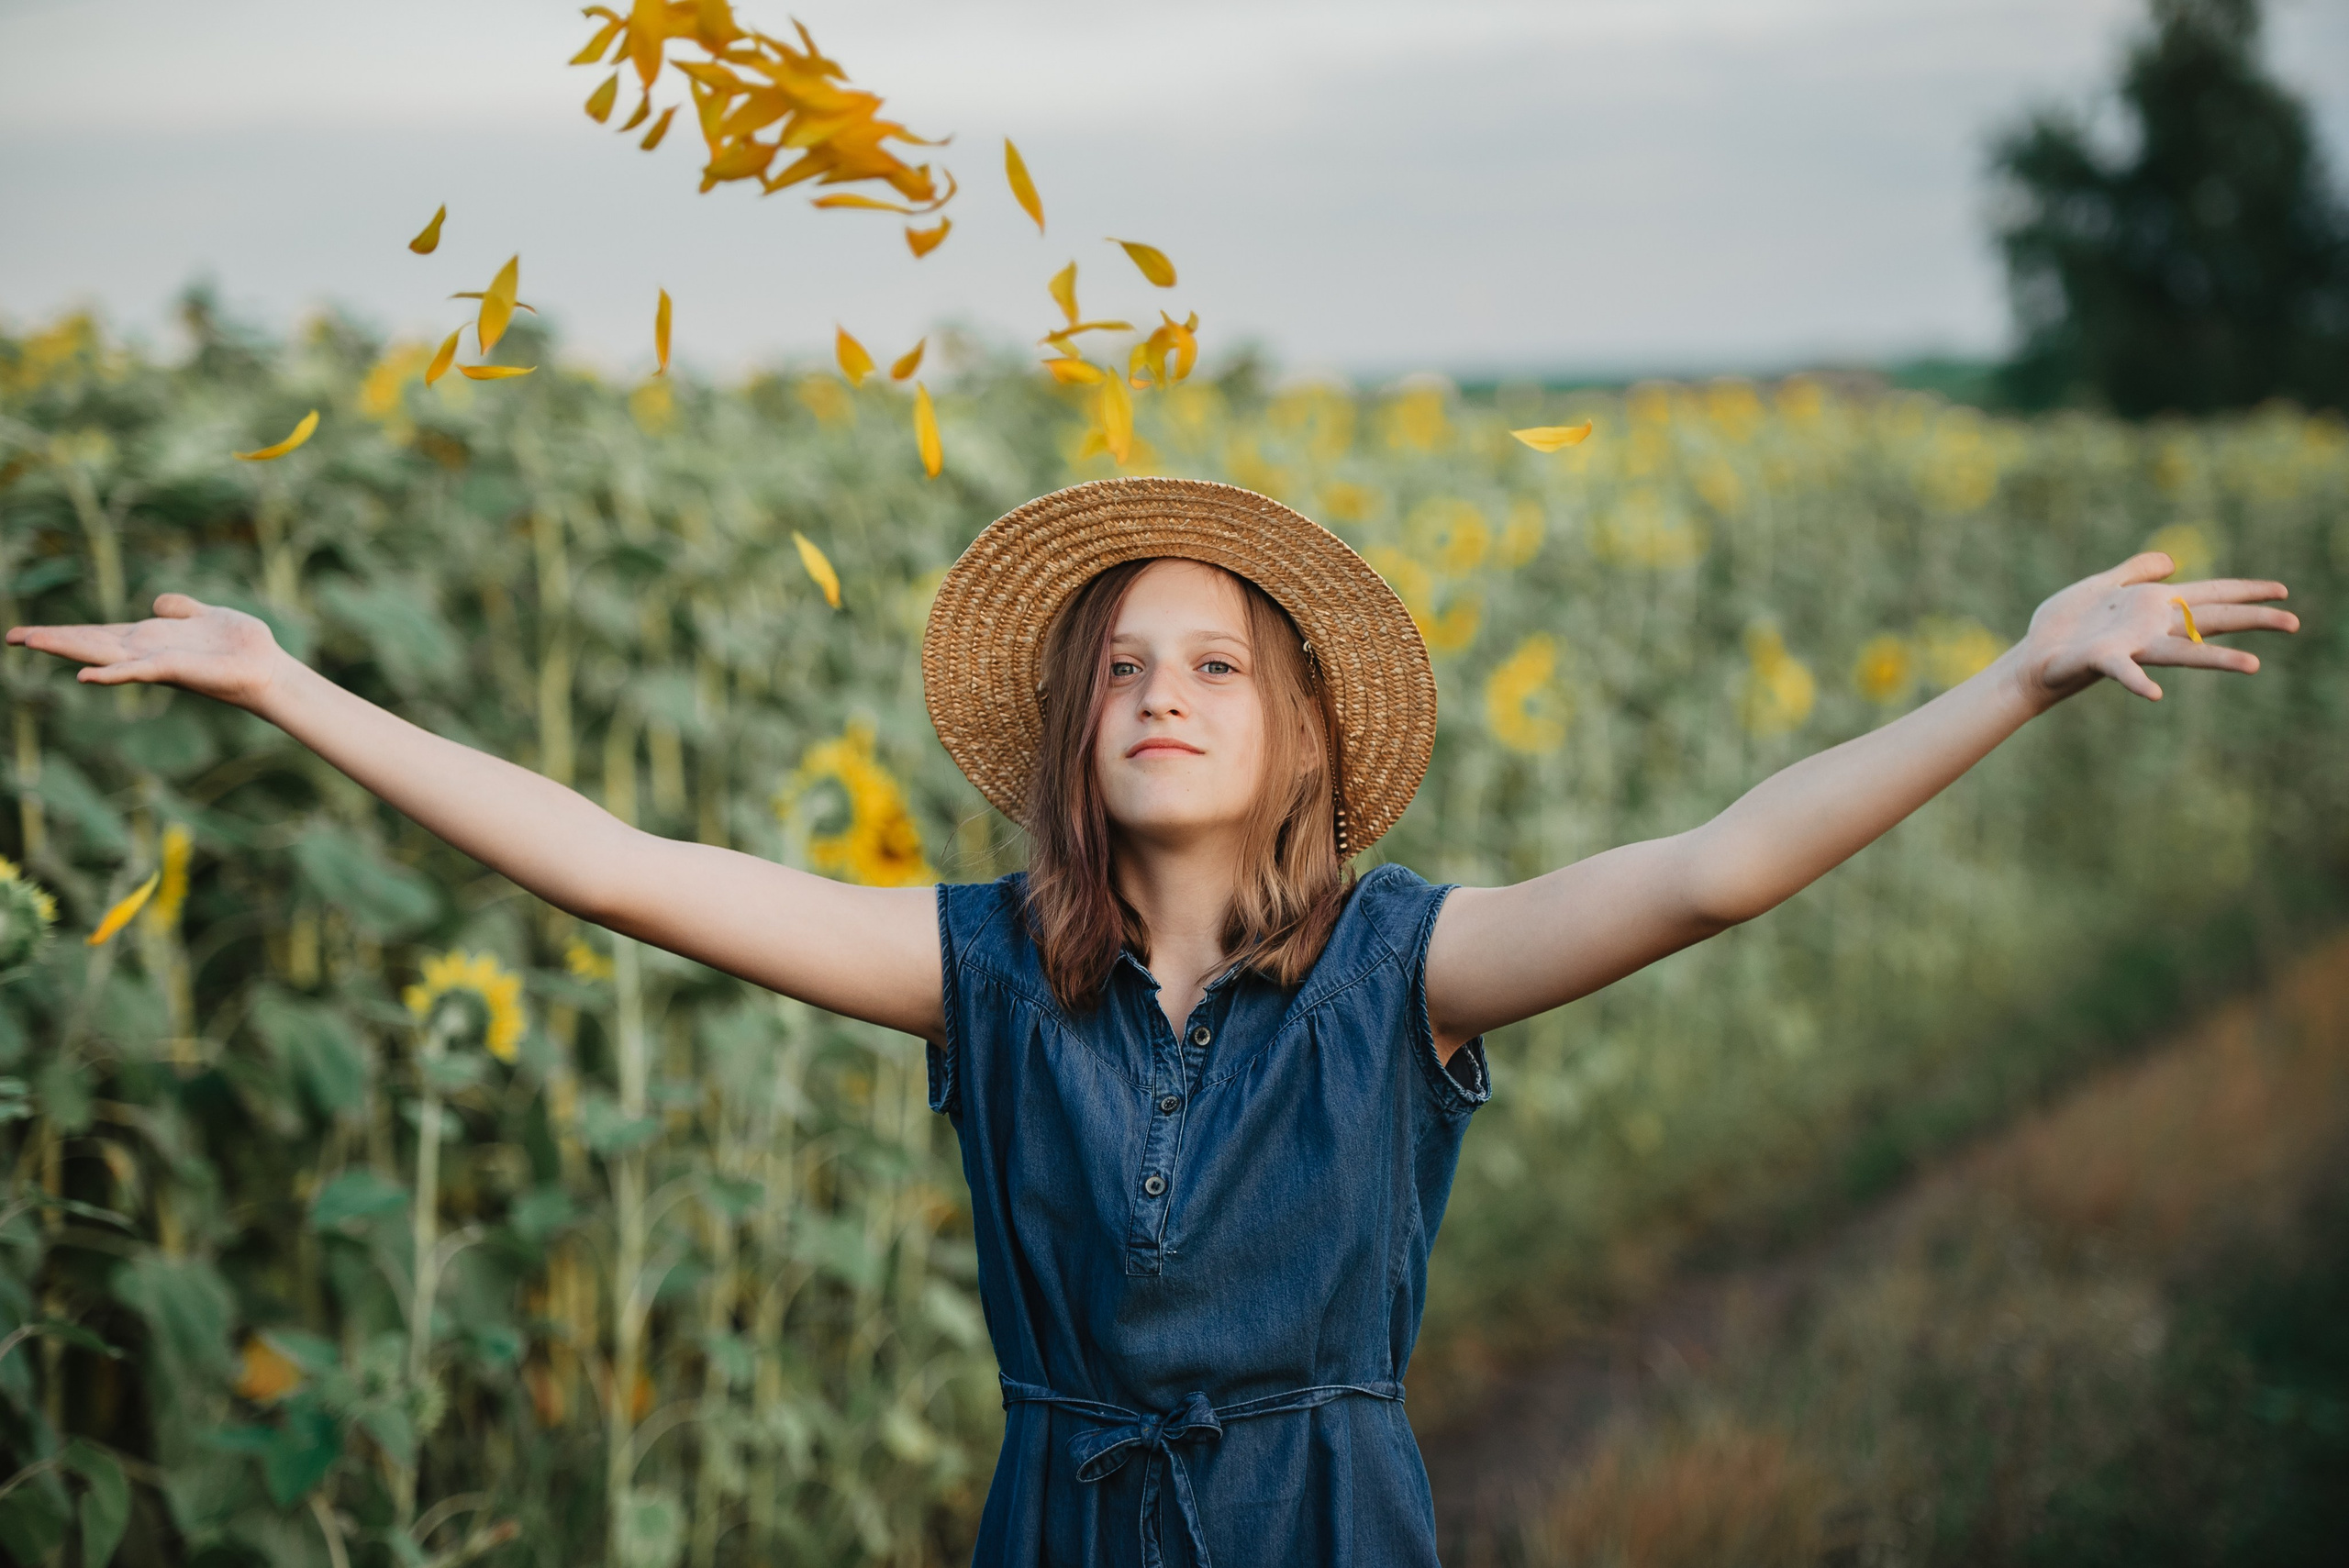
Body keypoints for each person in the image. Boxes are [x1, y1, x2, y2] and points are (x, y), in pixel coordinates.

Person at [7, 474, 2297, 1566]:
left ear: (1299, 734)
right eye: (1122, 665)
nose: (1162, 690)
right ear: (1069, 736)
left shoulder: (1409, 968)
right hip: (1061, 1528)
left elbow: (1711, 865)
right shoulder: (978, 974)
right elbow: (621, 869)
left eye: (1214, 663)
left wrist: (2007, 676)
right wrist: (291, 686)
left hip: (1326, 1524)